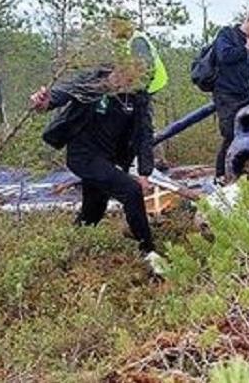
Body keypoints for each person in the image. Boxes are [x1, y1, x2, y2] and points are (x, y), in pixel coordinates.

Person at [29, 66, 164, 271]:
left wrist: (145, 172)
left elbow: (144, 136)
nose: (128, 81)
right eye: (126, 74)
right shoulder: (94, 83)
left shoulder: (137, 98)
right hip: (82, 156)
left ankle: (63, 254)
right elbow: (64, 92)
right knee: (131, 191)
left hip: (108, 160)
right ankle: (149, 253)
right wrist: (46, 101)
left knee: (93, 211)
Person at [211, 7, 249, 181]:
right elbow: (224, 57)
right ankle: (221, 176)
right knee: (231, 135)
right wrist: (247, 47)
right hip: (226, 94)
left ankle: (248, 174)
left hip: (246, 94)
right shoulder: (226, 34)